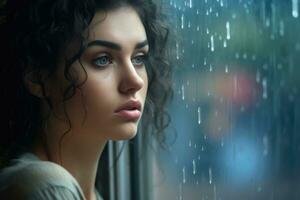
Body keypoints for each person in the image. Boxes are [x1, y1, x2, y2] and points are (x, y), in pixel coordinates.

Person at [0, 0, 173, 199]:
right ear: (38, 78)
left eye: (138, 58)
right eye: (103, 60)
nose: (135, 81)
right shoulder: (43, 187)